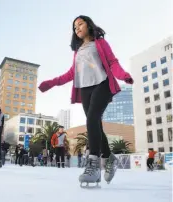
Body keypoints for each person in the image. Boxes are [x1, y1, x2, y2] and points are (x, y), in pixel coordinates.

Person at [39, 15, 133, 185]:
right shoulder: (78, 51)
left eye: (80, 24)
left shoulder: (100, 43)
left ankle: (94, 165)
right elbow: (71, 73)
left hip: (102, 83)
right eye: (74, 27)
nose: (77, 28)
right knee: (95, 124)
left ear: (89, 25)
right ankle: (109, 158)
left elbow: (112, 62)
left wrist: (123, 75)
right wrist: (52, 83)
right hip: (85, 89)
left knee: (91, 119)